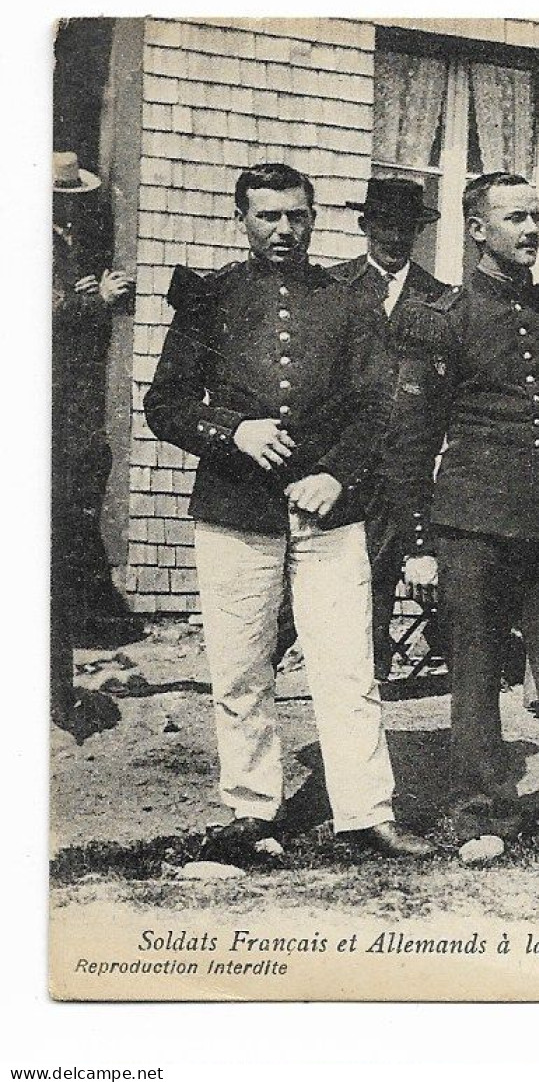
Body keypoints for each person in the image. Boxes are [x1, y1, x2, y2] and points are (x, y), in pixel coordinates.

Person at [144, 162, 432, 862]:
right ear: (240, 218)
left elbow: (376, 405)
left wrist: (337, 473)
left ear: (314, 218)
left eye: (296, 215)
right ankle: (252, 809)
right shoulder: (211, 299)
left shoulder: (347, 301)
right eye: (268, 215)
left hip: (331, 517)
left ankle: (365, 812)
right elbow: (166, 405)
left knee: (347, 668)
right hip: (236, 513)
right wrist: (230, 433)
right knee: (241, 670)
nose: (284, 229)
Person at [389, 172, 539, 851]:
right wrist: (417, 541)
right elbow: (411, 439)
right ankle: (485, 810)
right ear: (476, 230)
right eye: (514, 218)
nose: (529, 230)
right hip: (472, 528)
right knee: (474, 674)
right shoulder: (445, 320)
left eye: (534, 217)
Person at [325, 178, 449, 681]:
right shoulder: (332, 288)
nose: (394, 238)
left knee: (383, 570)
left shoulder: (439, 299)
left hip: (409, 463)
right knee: (331, 572)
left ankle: (369, 679)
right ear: (364, 226)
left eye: (405, 228)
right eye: (383, 226)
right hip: (341, 460)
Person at [52, 151, 141, 652]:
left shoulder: (64, 237)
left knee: (83, 478)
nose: (67, 212)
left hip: (72, 386)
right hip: (48, 383)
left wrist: (79, 292)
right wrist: (95, 300)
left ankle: (81, 615)